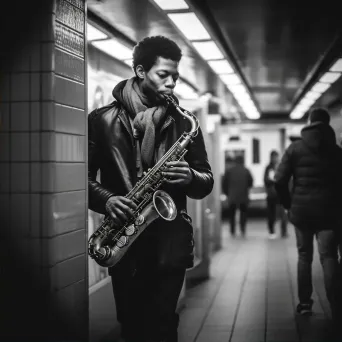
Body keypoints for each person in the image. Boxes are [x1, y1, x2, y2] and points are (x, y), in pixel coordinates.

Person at [88, 35, 214, 342]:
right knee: (131, 324)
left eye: (175, 76)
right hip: (123, 238)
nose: (172, 83)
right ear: (141, 71)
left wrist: (191, 178)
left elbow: (206, 179)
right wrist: (108, 200)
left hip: (169, 241)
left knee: (163, 323)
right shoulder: (101, 120)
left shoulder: (185, 122)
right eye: (164, 74)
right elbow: (81, 179)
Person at [274, 108, 342, 330]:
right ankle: (336, 307)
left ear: (310, 122)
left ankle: (305, 303)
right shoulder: (337, 151)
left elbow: (279, 179)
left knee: (305, 256)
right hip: (329, 213)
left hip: (301, 212)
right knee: (329, 256)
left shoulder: (295, 148)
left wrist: (287, 204)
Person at [222, 155, 253, 237]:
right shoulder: (246, 170)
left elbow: (224, 184)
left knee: (232, 214)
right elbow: (250, 182)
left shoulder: (229, 171)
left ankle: (232, 231)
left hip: (232, 196)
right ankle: (242, 229)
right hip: (243, 196)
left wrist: (227, 193)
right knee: (243, 213)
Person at [264, 150, 288, 239]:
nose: (275, 159)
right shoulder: (268, 168)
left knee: (283, 214)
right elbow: (265, 180)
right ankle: (272, 231)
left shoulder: (281, 167)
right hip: (271, 195)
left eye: (276, 157)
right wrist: (272, 180)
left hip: (280, 194)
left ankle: (284, 232)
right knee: (271, 214)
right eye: (274, 157)